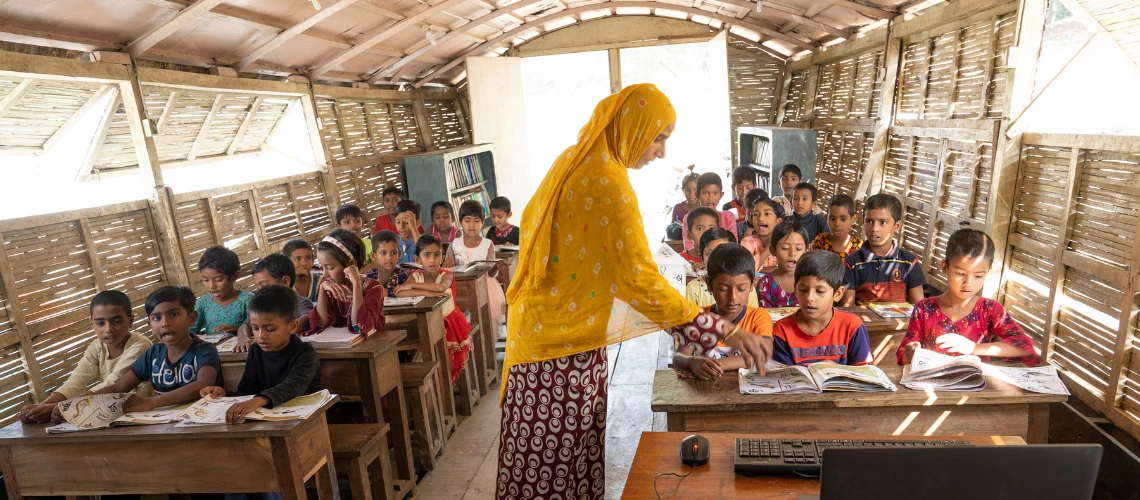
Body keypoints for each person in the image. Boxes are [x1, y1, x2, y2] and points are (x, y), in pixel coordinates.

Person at [500, 84, 770, 499]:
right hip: (559, 352)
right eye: (658, 137)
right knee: (558, 466)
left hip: (538, 334)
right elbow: (638, 279)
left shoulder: (574, 161)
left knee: (542, 464)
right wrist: (723, 329)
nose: (661, 152)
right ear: (631, 126)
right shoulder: (608, 183)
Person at [898, 229, 1041, 366]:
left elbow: (1025, 346)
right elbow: (903, 357)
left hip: (975, 382)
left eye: (978, 276)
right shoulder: (924, 309)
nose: (968, 283)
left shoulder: (990, 310)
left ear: (988, 272)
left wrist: (974, 348)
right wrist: (911, 353)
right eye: (960, 274)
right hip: (931, 380)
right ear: (944, 267)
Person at [19, 291, 152, 423]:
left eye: (117, 321)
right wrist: (40, 408)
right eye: (100, 323)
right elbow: (76, 382)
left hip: (144, 416)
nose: (108, 329)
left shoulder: (140, 345)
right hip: (111, 414)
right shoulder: (97, 346)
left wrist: (60, 407)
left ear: (131, 320)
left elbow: (113, 385)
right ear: (92, 323)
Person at [82, 286, 221, 413]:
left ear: (191, 318)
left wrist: (152, 402)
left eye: (173, 315)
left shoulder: (204, 350)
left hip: (202, 418)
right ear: (150, 325)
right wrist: (79, 402)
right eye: (157, 318)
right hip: (164, 423)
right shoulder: (153, 354)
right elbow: (119, 387)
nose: (165, 323)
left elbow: (202, 384)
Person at [199, 285, 322, 424]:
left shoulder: (305, 352)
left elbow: (293, 386)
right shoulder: (256, 351)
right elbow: (247, 391)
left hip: (304, 420)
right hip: (270, 420)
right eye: (255, 328)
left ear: (292, 326)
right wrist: (223, 394)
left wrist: (257, 400)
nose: (261, 336)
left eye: (270, 329)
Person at [670, 244, 773, 380]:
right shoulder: (699, 317)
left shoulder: (758, 317)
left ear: (752, 285)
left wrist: (711, 366)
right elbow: (678, 358)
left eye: (741, 289)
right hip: (704, 390)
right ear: (709, 284)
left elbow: (763, 354)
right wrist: (692, 362)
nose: (733, 297)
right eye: (723, 289)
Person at [772, 251, 872, 366]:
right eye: (803, 290)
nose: (809, 298)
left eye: (820, 291)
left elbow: (864, 371)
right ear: (795, 289)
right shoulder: (782, 330)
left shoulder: (852, 326)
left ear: (838, 294)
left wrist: (837, 369)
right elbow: (785, 374)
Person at [395, 235, 471, 383]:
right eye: (427, 255)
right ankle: (434, 384)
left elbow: (441, 287)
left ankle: (444, 385)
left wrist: (413, 287)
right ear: (417, 259)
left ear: (442, 257)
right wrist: (427, 293)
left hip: (449, 324)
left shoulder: (447, 275)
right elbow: (400, 293)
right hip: (426, 322)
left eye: (437, 255)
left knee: (447, 361)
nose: (432, 260)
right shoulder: (416, 276)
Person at [842, 193, 927, 306]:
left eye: (883, 222)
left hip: (899, 318)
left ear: (897, 226)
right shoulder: (852, 262)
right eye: (869, 221)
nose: (874, 229)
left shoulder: (910, 262)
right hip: (861, 318)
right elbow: (847, 307)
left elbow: (918, 308)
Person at [308, 229, 386, 335]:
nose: (324, 274)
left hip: (372, 343)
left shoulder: (373, 288)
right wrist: (322, 288)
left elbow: (358, 326)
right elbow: (321, 323)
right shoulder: (329, 286)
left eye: (330, 268)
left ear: (351, 264)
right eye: (322, 267)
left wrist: (356, 283)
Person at [444, 200, 506, 330]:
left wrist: (496, 267)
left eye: (476, 221)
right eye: (467, 220)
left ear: (483, 222)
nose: (472, 225)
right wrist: (449, 261)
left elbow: (491, 273)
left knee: (484, 322)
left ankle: (484, 340)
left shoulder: (487, 244)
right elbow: (447, 264)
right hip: (460, 287)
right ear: (460, 222)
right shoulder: (455, 243)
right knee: (462, 322)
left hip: (483, 286)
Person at [685, 229, 762, 308]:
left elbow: (753, 311)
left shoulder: (745, 285)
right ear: (701, 257)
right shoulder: (694, 288)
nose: (717, 258)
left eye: (724, 253)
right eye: (710, 254)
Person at [190, 246, 253, 336]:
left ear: (235, 276)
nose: (212, 286)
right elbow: (191, 330)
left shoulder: (247, 300)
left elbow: (258, 329)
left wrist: (237, 330)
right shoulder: (203, 303)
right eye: (206, 280)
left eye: (218, 279)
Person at [252, 254, 313, 335]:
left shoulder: (300, 303)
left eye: (264, 285)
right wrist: (244, 337)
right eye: (257, 286)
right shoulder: (262, 306)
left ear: (285, 281)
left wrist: (278, 333)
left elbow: (307, 318)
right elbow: (246, 325)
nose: (260, 290)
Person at [756, 221, 809, 308]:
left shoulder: (811, 281)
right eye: (785, 248)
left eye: (798, 248)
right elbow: (765, 314)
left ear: (806, 252)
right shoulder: (765, 283)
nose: (792, 254)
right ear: (773, 250)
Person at [681, 172, 739, 248]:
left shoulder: (727, 217)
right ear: (697, 195)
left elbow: (733, 245)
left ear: (721, 195)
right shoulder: (689, 218)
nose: (711, 198)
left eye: (715, 193)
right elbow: (689, 246)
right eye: (705, 193)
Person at [810, 193, 864, 259]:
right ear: (826, 219)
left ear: (853, 219)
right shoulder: (821, 241)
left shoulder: (859, 246)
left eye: (843, 219)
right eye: (832, 219)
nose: (837, 224)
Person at [741, 197, 783, 272]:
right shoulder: (747, 242)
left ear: (778, 221)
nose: (760, 218)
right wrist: (771, 245)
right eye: (756, 214)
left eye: (767, 214)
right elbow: (745, 269)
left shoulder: (785, 243)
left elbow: (791, 268)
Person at [365, 230, 410, 296]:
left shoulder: (401, 274)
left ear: (399, 255)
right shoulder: (372, 273)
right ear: (373, 256)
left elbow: (385, 293)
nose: (389, 257)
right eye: (383, 253)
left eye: (393, 253)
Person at [724, 167, 757, 233]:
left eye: (748, 188)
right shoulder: (728, 207)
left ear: (754, 187)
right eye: (739, 188)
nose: (744, 192)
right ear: (733, 188)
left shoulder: (758, 205)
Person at [393, 200, 422, 264]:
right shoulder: (393, 241)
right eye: (398, 222)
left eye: (406, 223)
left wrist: (413, 228)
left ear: (417, 223)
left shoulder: (425, 241)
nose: (401, 227)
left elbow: (423, 251)